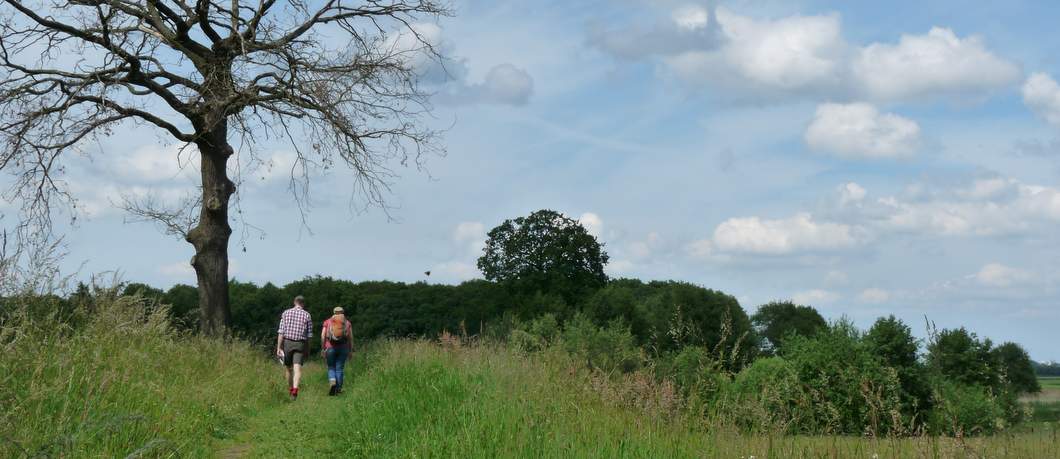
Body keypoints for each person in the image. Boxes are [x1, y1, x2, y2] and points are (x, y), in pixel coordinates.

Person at [276, 295, 313, 400]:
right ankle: (295, 389)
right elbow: (309, 335)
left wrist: (279, 347)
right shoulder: (307, 315)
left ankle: (290, 389)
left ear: (294, 302)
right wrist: (308, 348)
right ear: (303, 304)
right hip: (300, 344)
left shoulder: (286, 313)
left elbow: (281, 332)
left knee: (288, 369)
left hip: (287, 343)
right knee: (297, 369)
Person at [321, 306, 353, 396]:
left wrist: (323, 348)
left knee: (331, 367)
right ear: (343, 312)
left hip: (330, 348)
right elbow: (351, 338)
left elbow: (323, 336)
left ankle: (332, 383)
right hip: (343, 348)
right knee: (339, 369)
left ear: (334, 312)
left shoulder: (328, 322)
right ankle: (338, 389)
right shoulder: (347, 323)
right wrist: (350, 350)